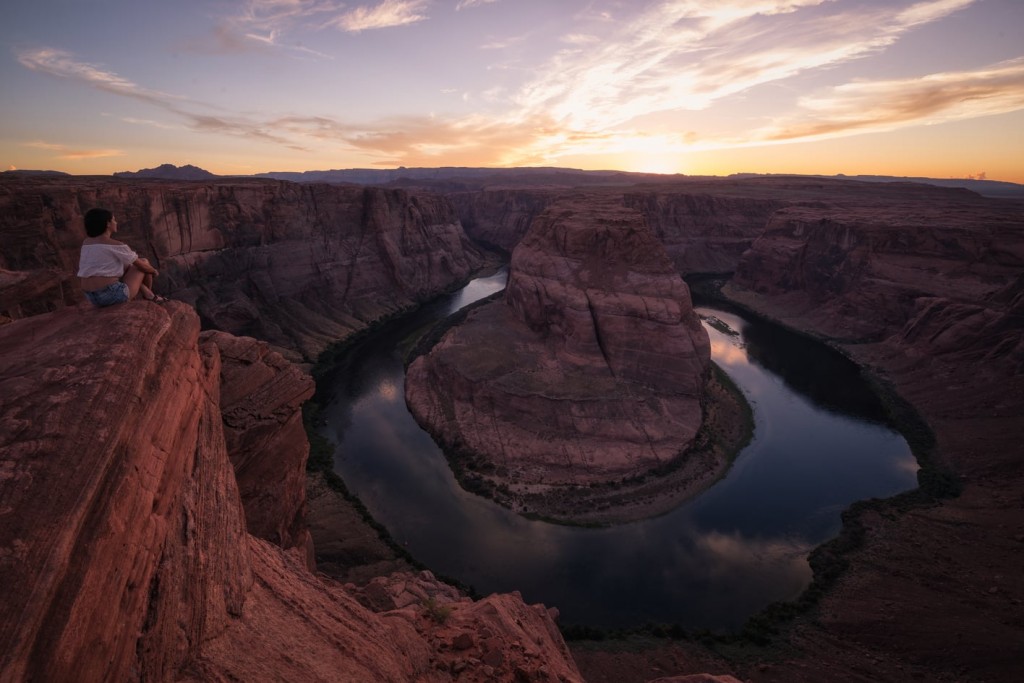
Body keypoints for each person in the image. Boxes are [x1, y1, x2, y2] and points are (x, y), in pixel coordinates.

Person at [77, 208, 165, 307]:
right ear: (108, 224)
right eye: (114, 220)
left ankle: (149, 295)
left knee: (125, 266)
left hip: (91, 297)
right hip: (112, 295)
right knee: (144, 263)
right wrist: (153, 271)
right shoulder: (116, 245)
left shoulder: (86, 243)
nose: (116, 222)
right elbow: (143, 266)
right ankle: (150, 299)